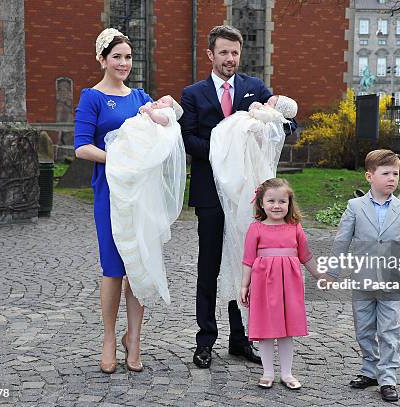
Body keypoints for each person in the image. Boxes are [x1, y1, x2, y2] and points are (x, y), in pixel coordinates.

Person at [180, 24, 295, 369]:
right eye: (224, 52)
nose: (230, 59)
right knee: (210, 266)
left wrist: (270, 120)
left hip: (247, 196)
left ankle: (239, 338)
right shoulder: (193, 94)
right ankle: (205, 340)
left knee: (242, 264)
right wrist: (223, 150)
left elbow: (287, 125)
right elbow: (187, 140)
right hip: (211, 193)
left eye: (235, 53)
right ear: (210, 55)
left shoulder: (254, 88)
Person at [74, 28, 152, 374]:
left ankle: (133, 339)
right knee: (113, 269)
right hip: (109, 191)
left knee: (138, 267)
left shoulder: (140, 97)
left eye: (128, 57)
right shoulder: (91, 97)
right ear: (102, 59)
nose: (123, 63)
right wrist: (117, 158)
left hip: (141, 193)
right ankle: (108, 338)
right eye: (116, 56)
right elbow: (81, 147)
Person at [329, 149, 400, 402]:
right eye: (386, 173)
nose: (392, 178)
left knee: (390, 329)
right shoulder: (355, 207)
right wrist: (333, 271)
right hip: (363, 279)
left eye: (396, 174)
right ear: (369, 176)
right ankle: (370, 369)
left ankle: (388, 378)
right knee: (364, 328)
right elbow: (342, 241)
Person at [210, 95, 298, 309]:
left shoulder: (272, 117)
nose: (269, 98)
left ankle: (252, 288)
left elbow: (277, 123)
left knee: (246, 226)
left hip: (253, 171)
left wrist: (260, 112)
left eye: (274, 99)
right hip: (227, 177)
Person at [240, 178, 322, 390]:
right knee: (266, 329)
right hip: (263, 285)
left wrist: (319, 275)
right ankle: (268, 372)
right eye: (271, 201)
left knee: (287, 330)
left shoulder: (295, 228)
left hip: (290, 286)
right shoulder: (255, 228)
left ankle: (287, 373)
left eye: (281, 202)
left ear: (289, 203)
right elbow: (248, 259)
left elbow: (306, 256)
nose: (276, 206)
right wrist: (244, 286)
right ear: (261, 203)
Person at [104, 95, 185, 307]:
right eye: (160, 100)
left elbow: (163, 122)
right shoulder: (152, 108)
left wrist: (150, 113)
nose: (159, 101)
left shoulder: (166, 115)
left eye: (165, 101)